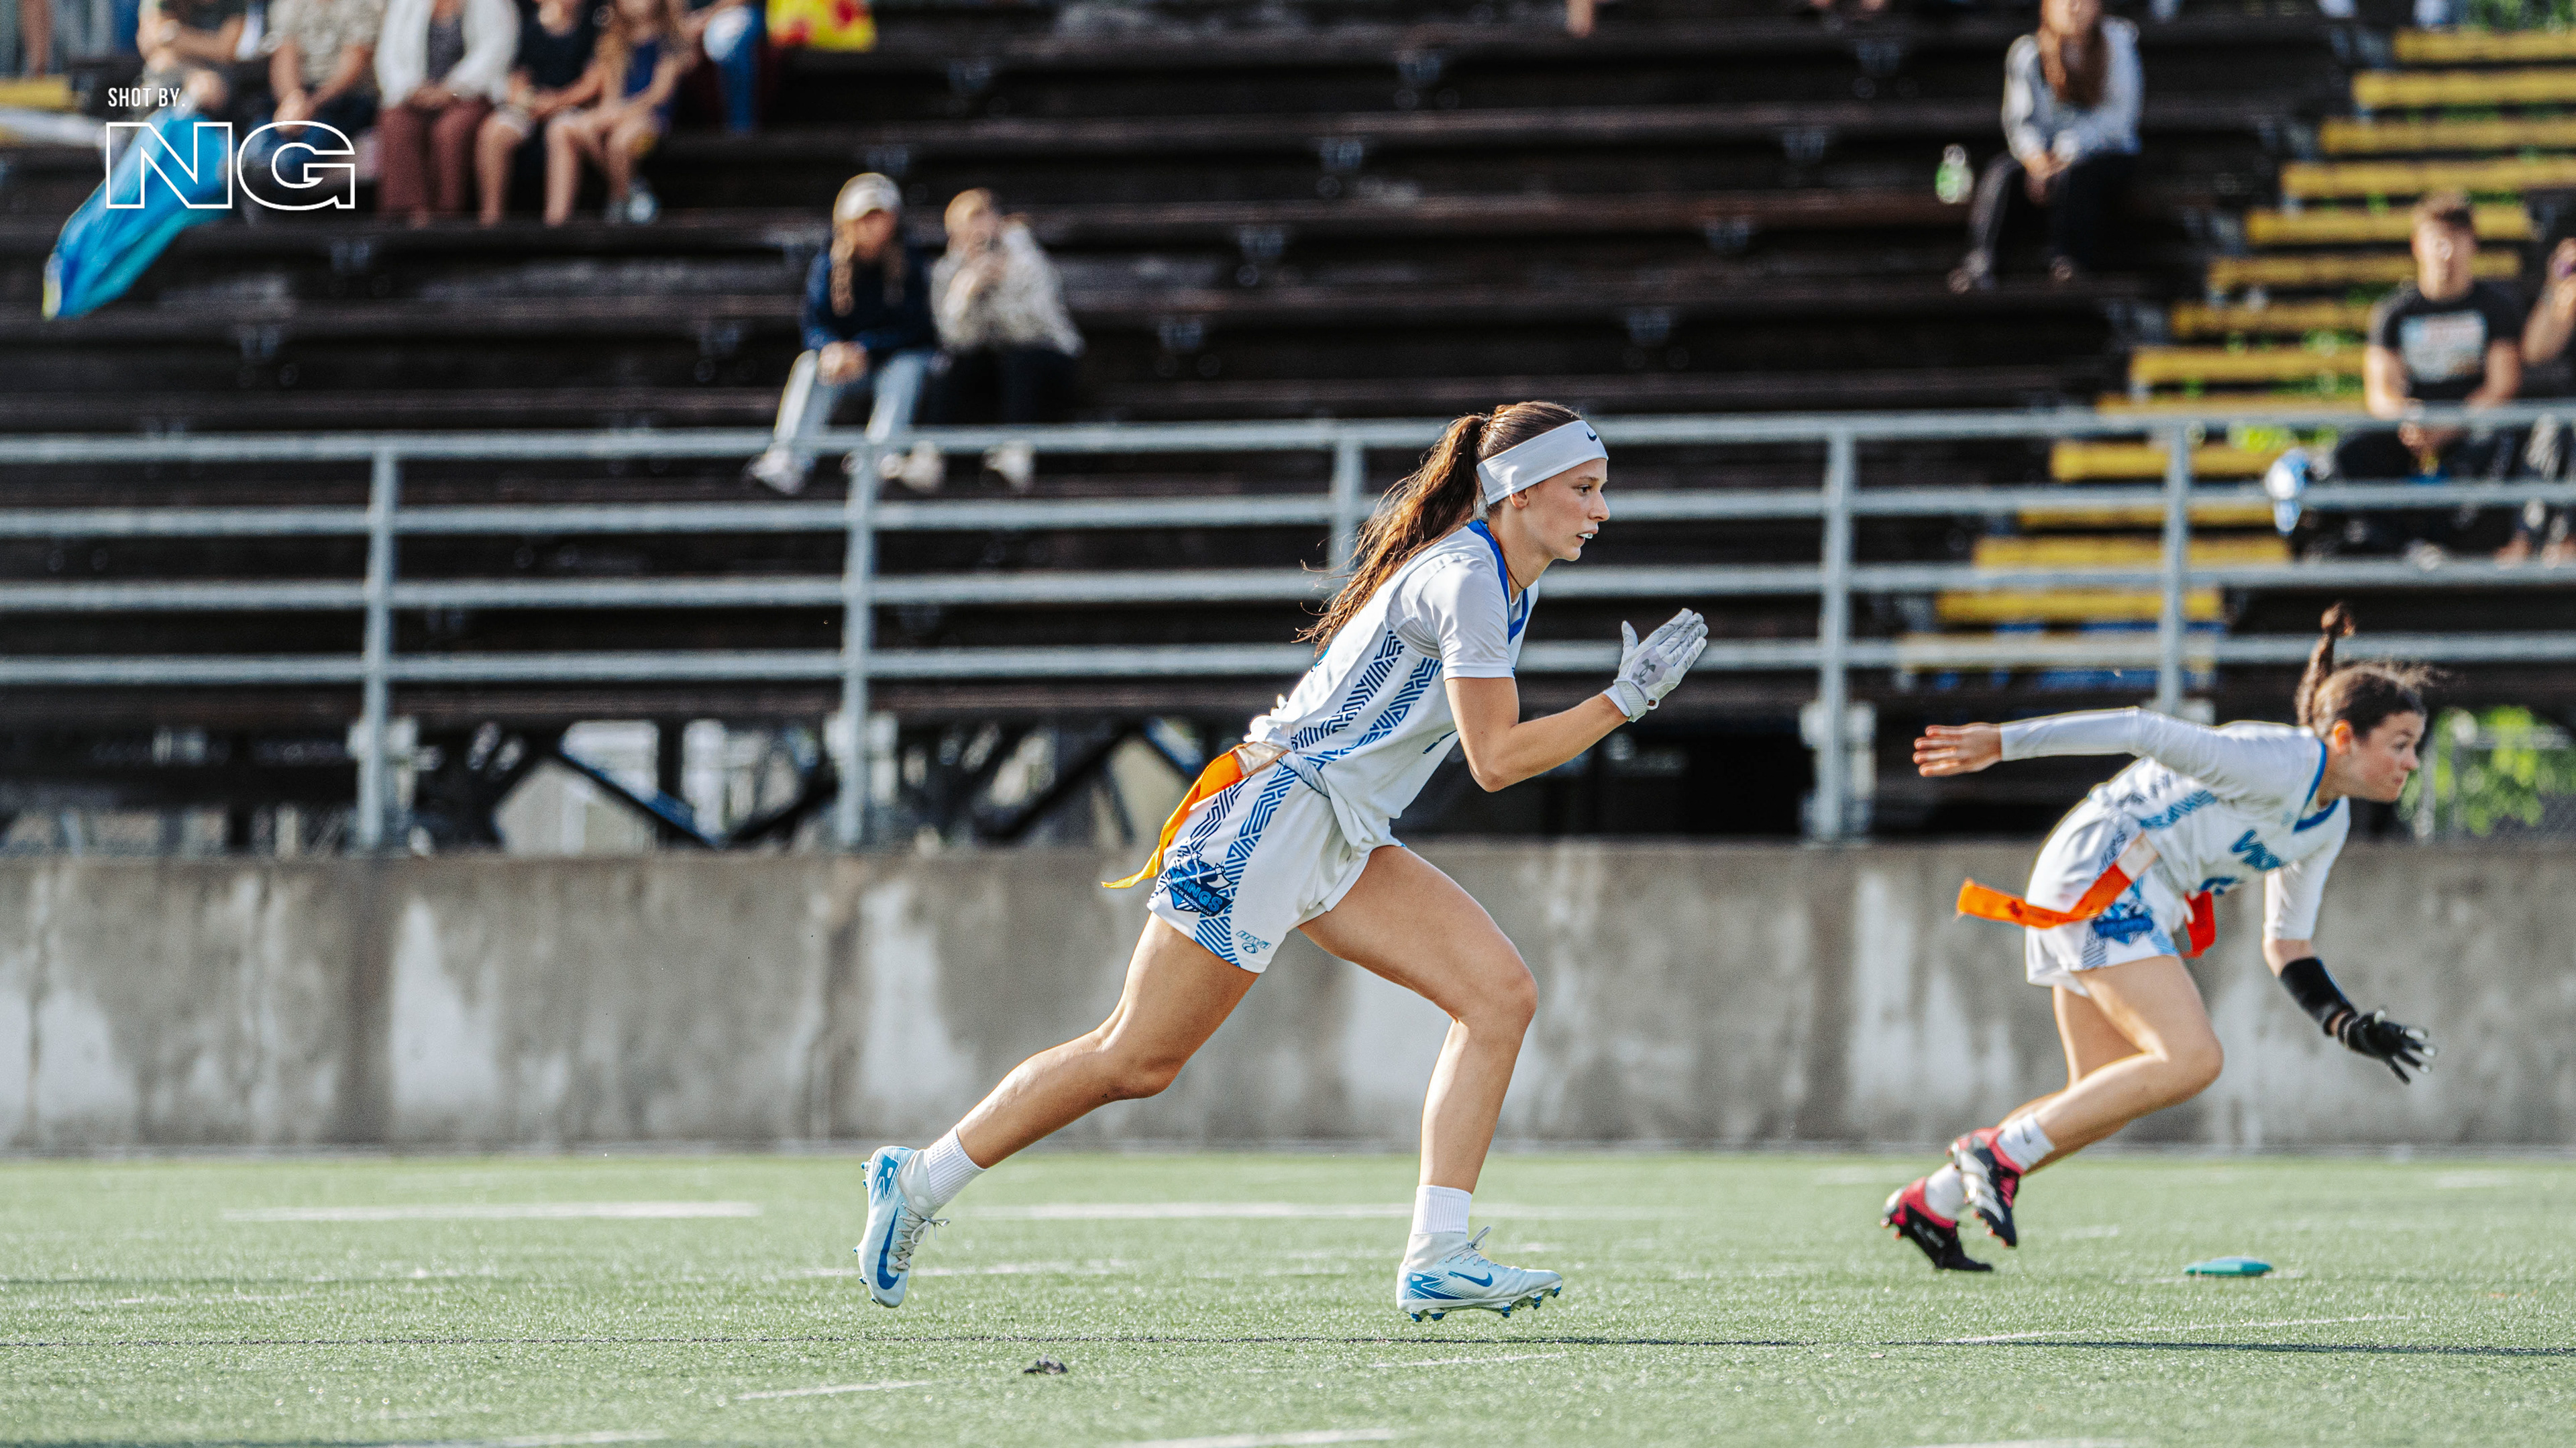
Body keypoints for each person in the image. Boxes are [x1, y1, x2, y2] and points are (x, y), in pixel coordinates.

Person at [850, 402, 1711, 1321]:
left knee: (1500, 995)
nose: (1601, 510)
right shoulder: (1468, 579)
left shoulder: (1505, 582)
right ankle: (920, 1178)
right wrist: (1625, 700)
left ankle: (1437, 1253)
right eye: (1585, 489)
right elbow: (1494, 760)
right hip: (1272, 817)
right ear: (1520, 491)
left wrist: (1623, 698)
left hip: (1339, 827)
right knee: (1136, 1058)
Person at [1884, 605, 2436, 1273]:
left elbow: (2287, 942)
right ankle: (1992, 1155)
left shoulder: (2329, 822)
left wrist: (2344, 1023)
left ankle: (1932, 1201)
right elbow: (2138, 728)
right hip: (2105, 867)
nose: (2411, 762)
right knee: (2193, 1058)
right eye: (2400, 744)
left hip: (2128, 889)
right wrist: (2002, 742)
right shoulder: (2278, 760)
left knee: (2095, 1100)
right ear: (2344, 737)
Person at [2320, 193, 2524, 560]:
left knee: (2499, 442)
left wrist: (2451, 424)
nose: (2446, 251)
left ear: (2473, 244)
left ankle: (2457, 545)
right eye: (2437, 239)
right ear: (2417, 245)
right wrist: (2409, 419)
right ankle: (2397, 545)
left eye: (2456, 238)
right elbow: (2380, 393)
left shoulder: (2496, 307)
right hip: (2412, 430)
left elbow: (2502, 386)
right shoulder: (2394, 312)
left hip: (2472, 426)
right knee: (2352, 452)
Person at [743, 173, 939, 495]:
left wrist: (865, 349)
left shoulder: (912, 264)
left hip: (889, 364)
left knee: (908, 366)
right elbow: (813, 325)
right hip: (845, 368)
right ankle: (788, 461)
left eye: (879, 216)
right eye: (864, 217)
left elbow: (918, 329)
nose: (872, 225)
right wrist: (832, 349)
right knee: (810, 366)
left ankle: (879, 459)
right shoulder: (827, 265)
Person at [1951, 0, 2139, 291]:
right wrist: (2036, 159)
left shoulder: (2118, 44)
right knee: (2003, 173)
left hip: (2106, 153)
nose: (2074, 7)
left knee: (2078, 177)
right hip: (2046, 159)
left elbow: (2118, 119)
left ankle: (2068, 262)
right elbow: (2019, 121)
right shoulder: (2027, 53)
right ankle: (1980, 263)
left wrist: (2067, 151)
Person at [915, 188, 1084, 491]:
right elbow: (955, 340)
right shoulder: (947, 272)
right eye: (967, 227)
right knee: (950, 367)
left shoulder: (1029, 262)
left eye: (983, 222)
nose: (978, 235)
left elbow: (1035, 332)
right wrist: (965, 295)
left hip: (1047, 360)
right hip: (994, 369)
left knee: (1021, 360)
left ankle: (1016, 456)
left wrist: (1001, 285)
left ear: (997, 222)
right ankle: (928, 457)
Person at [541, 0, 682, 225]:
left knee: (619, 142)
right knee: (576, 128)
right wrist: (607, 114)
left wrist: (622, 113)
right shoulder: (613, 40)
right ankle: (632, 190)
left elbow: (659, 95)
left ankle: (620, 197)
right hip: (620, 114)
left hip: (652, 118)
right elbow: (611, 95)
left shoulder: (670, 40)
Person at [374, 0, 516, 223]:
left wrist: (452, 90)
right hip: (416, 94)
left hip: (468, 95)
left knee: (451, 130)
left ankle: (446, 218)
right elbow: (388, 55)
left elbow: (496, 51)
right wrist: (411, 89)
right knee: (395, 122)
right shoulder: (404, 4)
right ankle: (412, 217)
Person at [474, 0, 598, 225]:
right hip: (532, 107)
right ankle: (490, 221)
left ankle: (556, 223)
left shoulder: (592, 26)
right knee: (494, 131)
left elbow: (593, 83)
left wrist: (557, 101)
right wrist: (530, 102)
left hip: (572, 107)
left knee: (560, 132)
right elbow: (517, 78)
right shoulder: (530, 27)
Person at [251, 0, 384, 201]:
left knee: (300, 155)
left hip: (348, 97)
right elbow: (285, 55)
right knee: (260, 134)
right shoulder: (288, 4)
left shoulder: (364, 4)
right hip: (299, 95)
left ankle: (278, 182)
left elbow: (353, 65)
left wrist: (311, 105)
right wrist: (293, 103)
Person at [130, 0, 248, 116]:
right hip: (168, 71)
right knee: (151, 96)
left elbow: (225, 51)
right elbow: (150, 44)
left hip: (215, 74)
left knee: (209, 91)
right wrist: (191, 75)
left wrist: (176, 36)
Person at [679, 0, 757, 134]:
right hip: (687, 19)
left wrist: (706, 17)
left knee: (726, 46)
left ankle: (740, 131)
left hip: (733, 13)